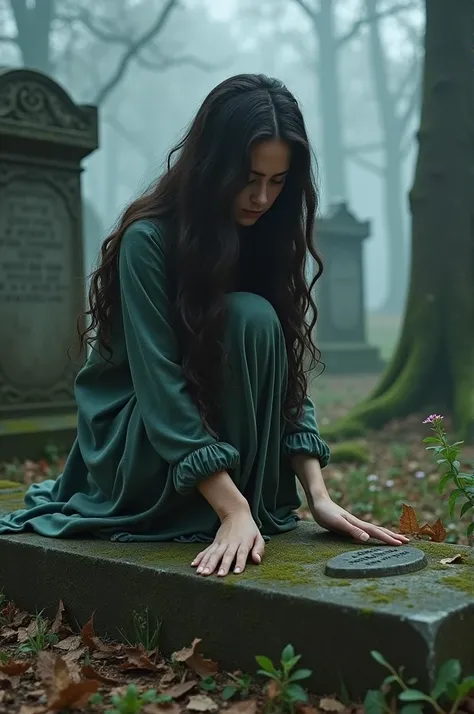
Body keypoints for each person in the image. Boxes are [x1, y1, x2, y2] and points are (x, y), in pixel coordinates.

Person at [0, 74, 408, 576]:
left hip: (215, 441)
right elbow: (160, 391)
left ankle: (232, 501)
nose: (261, 198)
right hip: (138, 440)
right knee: (248, 316)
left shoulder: (266, 237)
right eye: (249, 177)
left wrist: (318, 495)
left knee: (257, 319)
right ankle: (220, 504)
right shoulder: (147, 241)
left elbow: (287, 382)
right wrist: (234, 509)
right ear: (212, 165)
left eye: (277, 182)